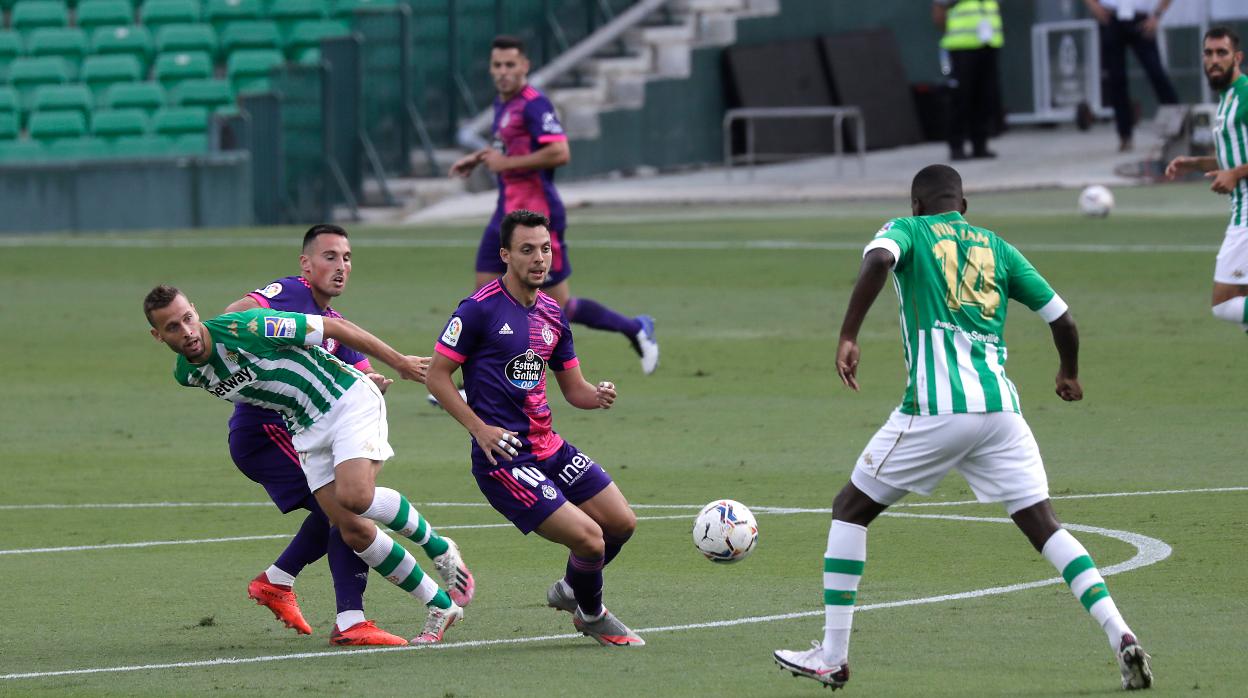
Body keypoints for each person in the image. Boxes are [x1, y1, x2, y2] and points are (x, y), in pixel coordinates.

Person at [772, 165, 1153, 691]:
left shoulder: (908, 231)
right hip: (1001, 412)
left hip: (936, 409)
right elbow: (1063, 320)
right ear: (964, 205)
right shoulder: (997, 247)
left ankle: (832, 656)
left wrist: (848, 334)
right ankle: (1121, 634)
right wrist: (1068, 372)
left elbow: (879, 260)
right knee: (1045, 526)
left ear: (914, 205)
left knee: (850, 509)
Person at [145, 285, 466, 645]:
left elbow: (337, 330)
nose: (186, 332)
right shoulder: (186, 374)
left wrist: (400, 363)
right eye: (173, 327)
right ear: (158, 336)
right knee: (352, 528)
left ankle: (437, 545)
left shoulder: (250, 327)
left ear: (196, 310)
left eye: (188, 318)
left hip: (345, 399)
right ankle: (440, 606)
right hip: (305, 430)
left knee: (355, 498)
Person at [220, 224, 475, 646]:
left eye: (347, 258)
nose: (341, 266)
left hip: (295, 431)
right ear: (306, 264)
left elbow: (354, 374)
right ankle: (346, 611)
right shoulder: (289, 293)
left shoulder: (333, 324)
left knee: (345, 515)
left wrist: (376, 379)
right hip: (267, 432)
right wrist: (270, 335)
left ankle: (291, 586)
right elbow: (234, 316)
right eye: (330, 257)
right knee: (349, 515)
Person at [426, 209, 643, 647]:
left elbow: (574, 389)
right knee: (590, 540)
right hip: (504, 458)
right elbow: (436, 376)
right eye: (527, 250)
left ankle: (571, 590)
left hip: (549, 447)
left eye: (545, 249)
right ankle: (593, 615)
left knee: (622, 524)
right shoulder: (478, 310)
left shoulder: (552, 313)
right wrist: (480, 429)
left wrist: (596, 395)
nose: (539, 258)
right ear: (505, 255)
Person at [448, 34, 659, 375]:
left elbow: (560, 152)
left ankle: (634, 327)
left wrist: (506, 164)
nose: (503, 72)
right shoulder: (504, 104)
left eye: (510, 65)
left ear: (525, 66)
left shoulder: (535, 104)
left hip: (537, 216)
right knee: (486, 297)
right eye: (497, 65)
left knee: (558, 305)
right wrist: (479, 158)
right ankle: (478, 379)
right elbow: (508, 148)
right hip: (504, 217)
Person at [1165, 27, 1248, 331]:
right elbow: (1236, 156)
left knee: (1225, 304)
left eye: (1222, 53)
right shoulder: (1227, 99)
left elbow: (1236, 166)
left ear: (1237, 57)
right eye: (1209, 53)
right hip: (1240, 211)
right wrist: (1196, 163)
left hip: (1247, 217)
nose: (1214, 60)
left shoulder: (1246, 95)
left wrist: (1235, 173)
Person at [1084, 0, 1179, 152]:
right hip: (1111, 17)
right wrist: (1094, 6)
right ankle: (1124, 135)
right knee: (1116, 79)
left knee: (1157, 73)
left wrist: (1157, 16)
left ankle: (1177, 129)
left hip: (1141, 18)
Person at [933, 0, 1003, 160]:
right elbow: (938, 12)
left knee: (986, 96)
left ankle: (980, 144)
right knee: (960, 97)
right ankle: (956, 146)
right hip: (961, 48)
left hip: (989, 45)